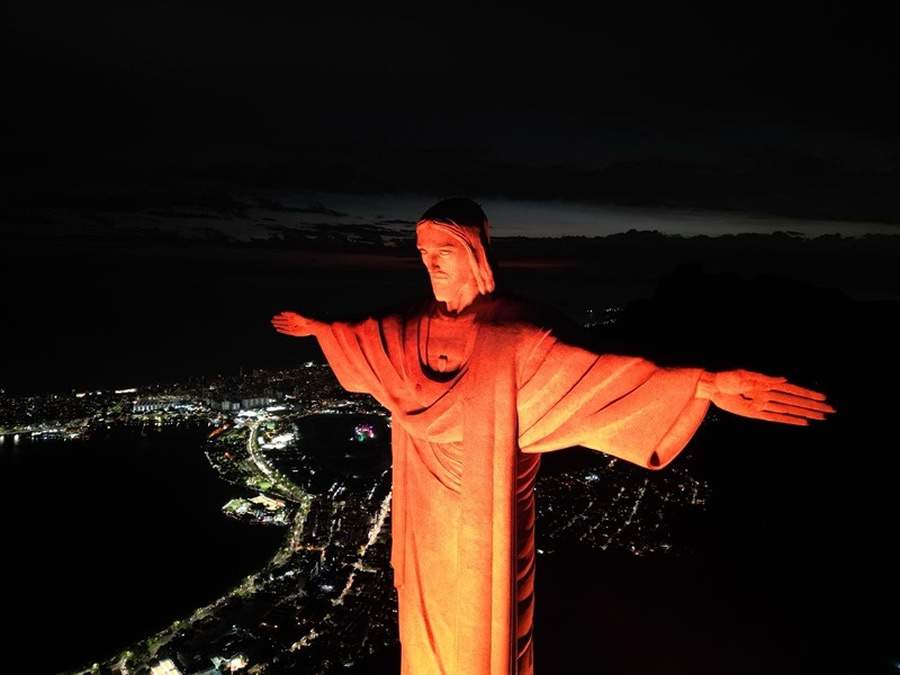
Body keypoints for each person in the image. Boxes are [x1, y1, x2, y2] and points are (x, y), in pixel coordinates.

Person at [271, 197, 834, 675]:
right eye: (423, 252)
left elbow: (603, 374)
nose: (431, 263)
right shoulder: (410, 325)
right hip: (426, 513)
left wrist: (704, 384)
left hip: (488, 515)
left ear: (474, 254)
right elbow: (365, 337)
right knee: (424, 630)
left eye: (444, 251)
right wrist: (321, 329)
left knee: (483, 635)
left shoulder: (516, 333)